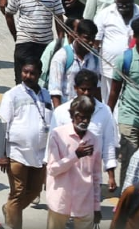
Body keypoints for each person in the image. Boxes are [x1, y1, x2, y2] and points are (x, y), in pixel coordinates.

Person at [0, 58, 53, 229]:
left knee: (35, 191)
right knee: (18, 193)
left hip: (40, 154)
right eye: (25, 72)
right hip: (17, 153)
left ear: (39, 74)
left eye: (32, 73)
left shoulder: (46, 94)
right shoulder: (12, 95)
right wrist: (2, 154)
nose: (28, 76)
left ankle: (9, 210)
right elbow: (2, 125)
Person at [53, 69, 119, 193]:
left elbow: (109, 145)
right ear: (75, 88)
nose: (87, 92)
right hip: (66, 176)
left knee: (91, 211)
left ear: (96, 89)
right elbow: (52, 147)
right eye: (83, 89)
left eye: (90, 89)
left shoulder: (105, 112)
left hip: (92, 177)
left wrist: (111, 176)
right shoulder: (61, 112)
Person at [5, 0, 67, 84]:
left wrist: (60, 39)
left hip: (45, 43)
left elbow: (58, 16)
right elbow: (9, 14)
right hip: (25, 43)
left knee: (42, 80)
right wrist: (16, 36)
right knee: (22, 80)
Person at [45, 95, 102, 229]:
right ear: (72, 116)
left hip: (84, 203)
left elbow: (96, 176)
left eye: (88, 117)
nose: (84, 121)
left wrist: (96, 206)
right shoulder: (57, 134)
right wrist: (75, 155)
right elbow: (52, 169)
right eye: (80, 117)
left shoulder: (94, 139)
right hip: (60, 201)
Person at [110, 18, 139, 186]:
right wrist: (107, 115)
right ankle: (125, 201)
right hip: (129, 118)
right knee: (130, 159)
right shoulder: (124, 59)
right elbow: (114, 91)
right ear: (135, 37)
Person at [96, 0, 139, 101]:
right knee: (109, 101)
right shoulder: (104, 14)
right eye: (120, 2)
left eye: (127, 2)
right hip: (109, 69)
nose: (124, 6)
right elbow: (96, 43)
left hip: (136, 71)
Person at [50, 20, 100, 106]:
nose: (91, 43)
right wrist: (58, 115)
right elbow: (55, 91)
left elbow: (97, 88)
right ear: (76, 35)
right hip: (67, 109)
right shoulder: (62, 56)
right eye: (87, 38)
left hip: (87, 110)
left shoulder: (95, 58)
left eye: (93, 39)